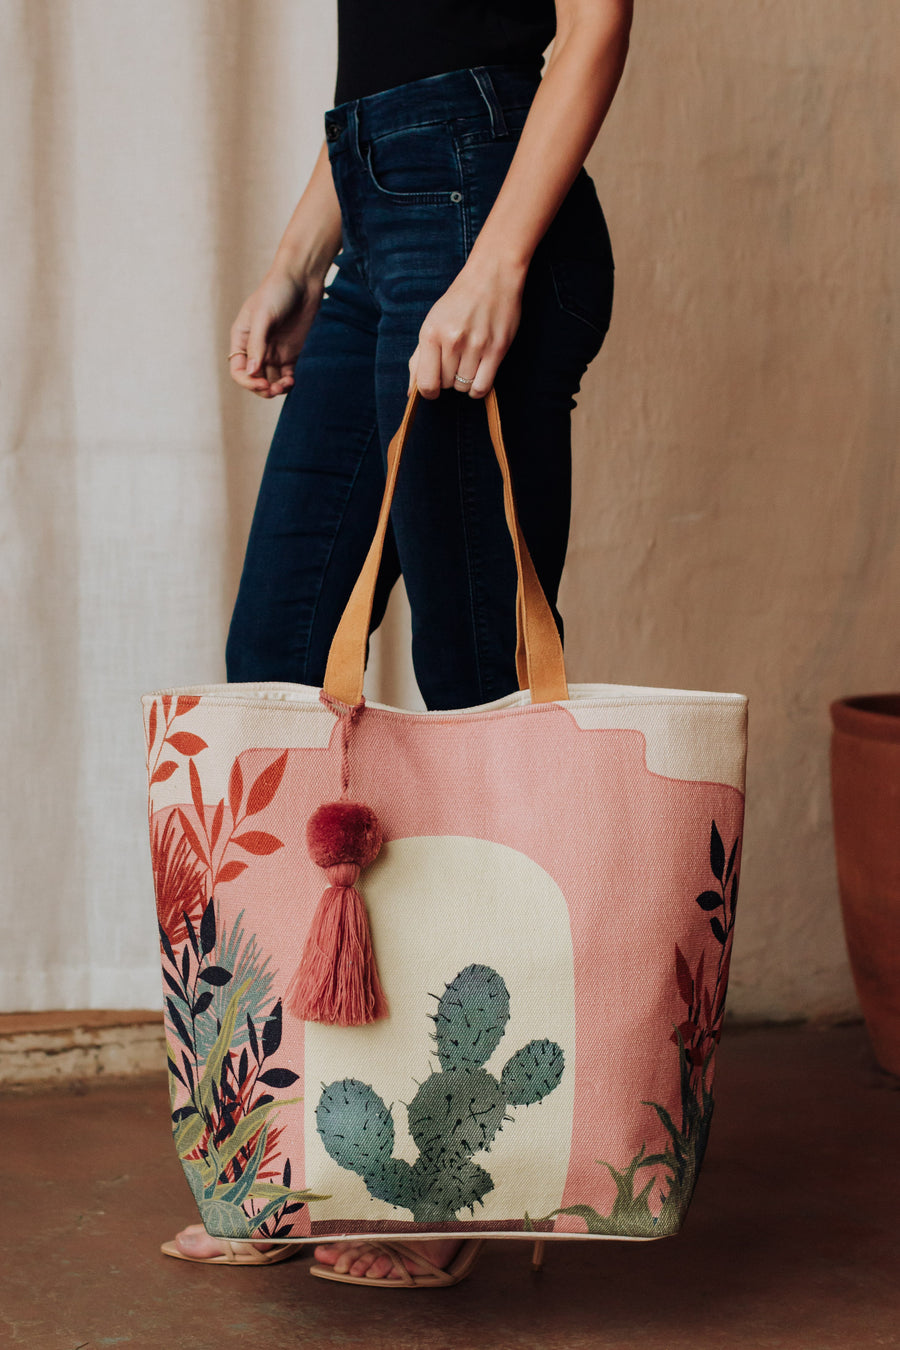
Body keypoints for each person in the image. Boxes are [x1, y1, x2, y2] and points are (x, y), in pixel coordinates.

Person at [164, 0, 633, 1287]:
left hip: (484, 199)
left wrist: (498, 263)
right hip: (379, 218)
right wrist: (296, 258)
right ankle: (283, 1156)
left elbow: (595, 25)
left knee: (474, 690)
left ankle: (459, 1176)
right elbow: (393, 51)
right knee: (275, 670)